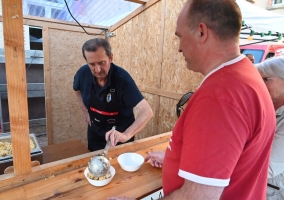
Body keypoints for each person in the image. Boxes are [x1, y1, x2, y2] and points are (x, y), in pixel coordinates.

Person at [109, 0, 275, 200]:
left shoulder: (218, 96)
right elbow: (229, 159)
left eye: (180, 36)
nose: (179, 48)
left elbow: (197, 197)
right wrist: (174, 160)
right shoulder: (248, 75)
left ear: (201, 32)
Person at [73, 38, 153, 152]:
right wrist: (84, 110)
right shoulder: (83, 74)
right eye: (92, 64)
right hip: (95, 132)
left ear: (110, 58)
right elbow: (76, 89)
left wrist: (126, 135)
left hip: (119, 136)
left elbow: (147, 111)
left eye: (101, 63)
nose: (98, 69)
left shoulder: (123, 79)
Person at [255, 56, 284, 200]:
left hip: (272, 192)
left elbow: (269, 167)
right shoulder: (269, 108)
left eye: (266, 80)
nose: (261, 85)